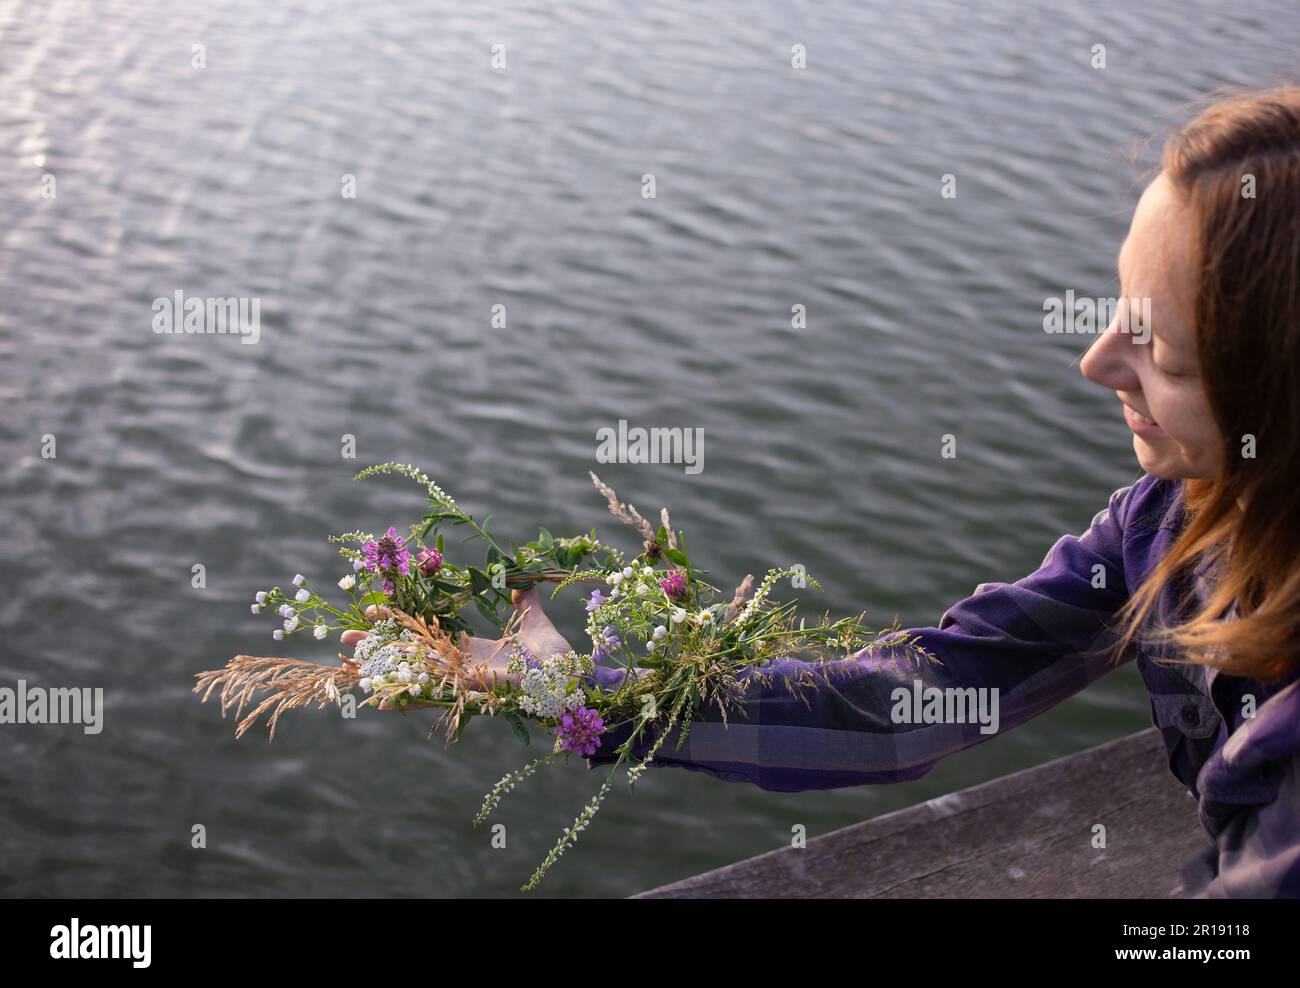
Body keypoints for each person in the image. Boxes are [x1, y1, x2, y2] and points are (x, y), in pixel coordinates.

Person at [354, 87, 1300, 897]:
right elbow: (915, 703)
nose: (1097, 364)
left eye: (1161, 351)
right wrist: (585, 696)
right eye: (1117, 312)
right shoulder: (1167, 526)